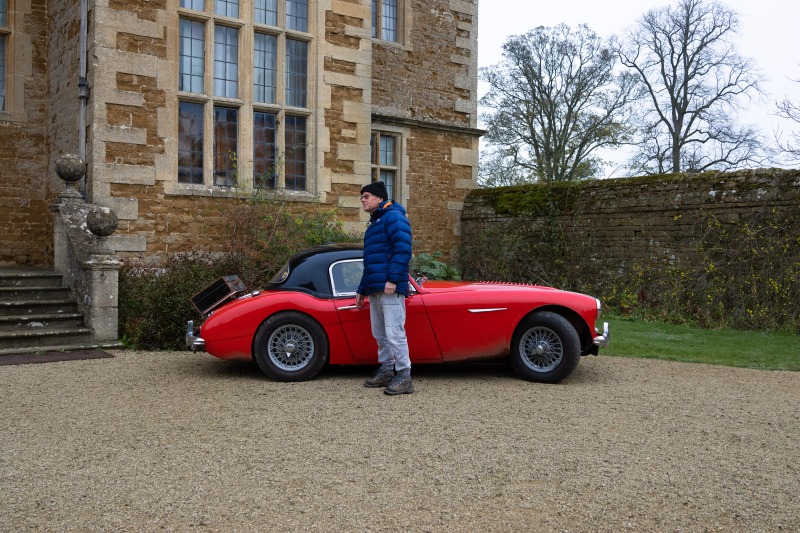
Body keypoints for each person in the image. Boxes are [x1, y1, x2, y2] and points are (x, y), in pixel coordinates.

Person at [355, 181, 414, 395]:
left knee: (394, 333)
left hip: (390, 287)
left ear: (380, 198)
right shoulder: (374, 224)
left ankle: (405, 376)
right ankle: (387, 370)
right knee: (379, 333)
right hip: (375, 288)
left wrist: (392, 279)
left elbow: (403, 249)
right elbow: (370, 262)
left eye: (367, 196)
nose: (362, 199)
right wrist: (362, 289)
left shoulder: (394, 217)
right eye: (361, 196)